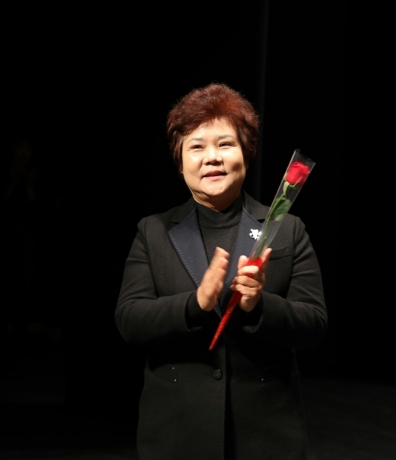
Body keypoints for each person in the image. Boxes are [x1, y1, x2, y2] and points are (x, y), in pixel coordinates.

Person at [115, 82, 327, 460]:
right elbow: (130, 320)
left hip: (266, 436)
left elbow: (313, 323)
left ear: (246, 153)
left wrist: (258, 305)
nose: (212, 157)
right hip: (177, 433)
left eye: (225, 144)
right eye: (196, 147)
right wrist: (195, 303)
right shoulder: (153, 231)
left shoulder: (287, 228)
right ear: (180, 161)